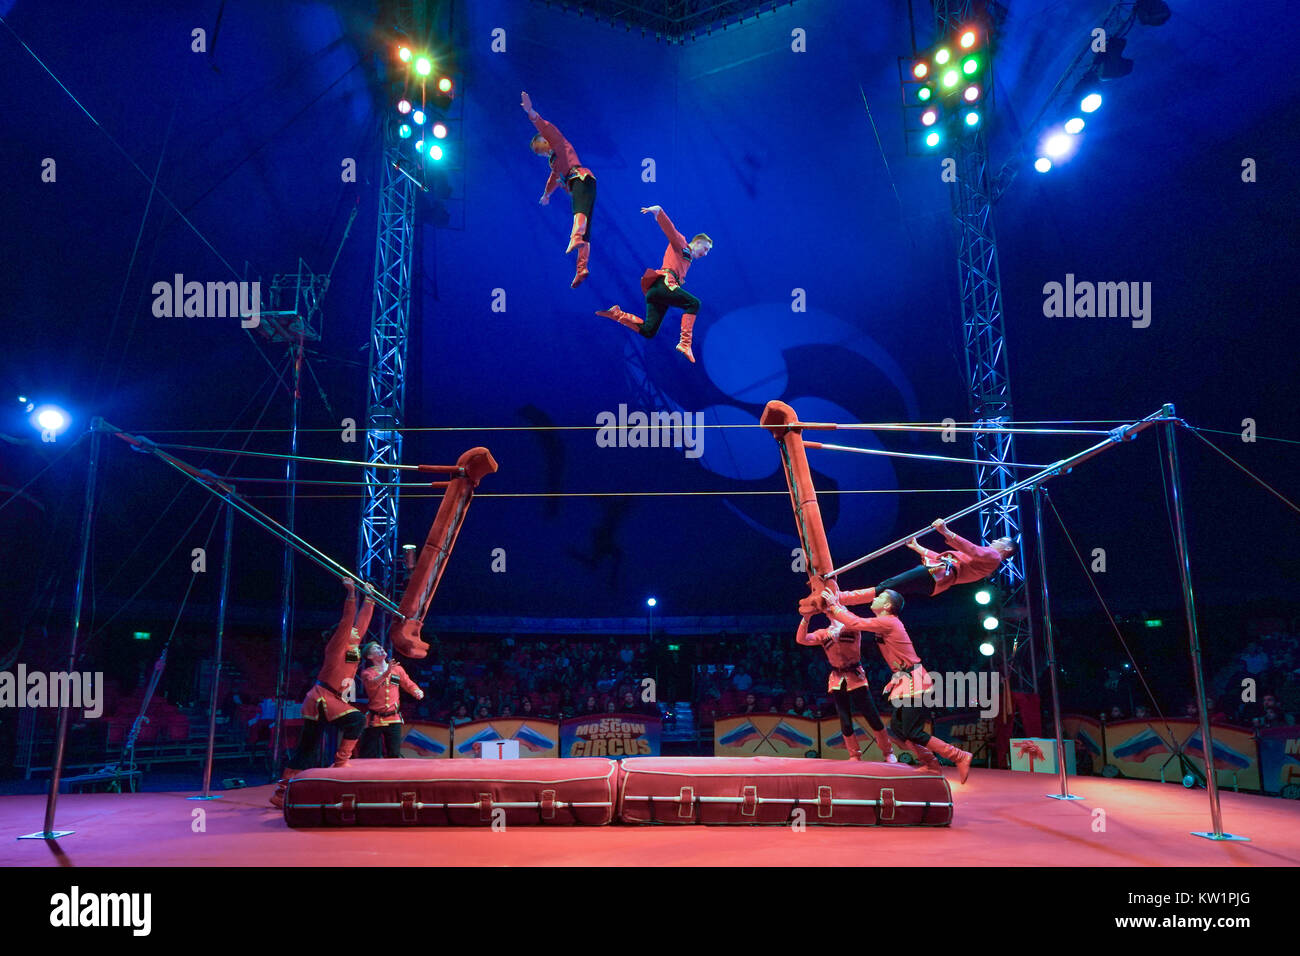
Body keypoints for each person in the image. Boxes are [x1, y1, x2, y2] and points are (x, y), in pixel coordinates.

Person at [819, 587, 975, 783]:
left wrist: (834, 605)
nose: (875, 598)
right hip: (905, 680)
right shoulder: (884, 623)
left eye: (880, 597)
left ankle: (958, 755)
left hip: (916, 682)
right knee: (898, 728)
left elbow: (855, 622)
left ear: (886, 606)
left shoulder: (888, 621)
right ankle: (932, 765)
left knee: (912, 731)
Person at [270, 580, 373, 808]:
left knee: (308, 746)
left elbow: (362, 623)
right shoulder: (337, 646)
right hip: (322, 698)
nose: (357, 632)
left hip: (331, 699)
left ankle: (283, 790)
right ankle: (335, 766)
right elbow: (348, 621)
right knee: (351, 722)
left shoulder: (353, 646)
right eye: (352, 631)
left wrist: (370, 598)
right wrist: (352, 594)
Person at [808, 519, 1016, 613]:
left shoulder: (993, 557)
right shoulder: (986, 562)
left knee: (889, 585)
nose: (996, 540)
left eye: (1001, 540)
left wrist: (946, 532)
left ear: (1006, 549)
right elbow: (949, 557)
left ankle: (840, 599)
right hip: (937, 578)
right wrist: (918, 548)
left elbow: (972, 550)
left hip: (937, 574)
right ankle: (840, 600)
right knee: (889, 588)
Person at [595, 204, 712, 363]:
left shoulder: (687, 259)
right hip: (663, 284)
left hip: (656, 294)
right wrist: (658, 212)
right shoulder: (682, 245)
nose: (705, 254)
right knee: (694, 304)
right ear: (697, 242)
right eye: (705, 249)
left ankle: (617, 314)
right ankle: (685, 343)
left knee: (649, 331)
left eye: (707, 252)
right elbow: (671, 231)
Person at [796, 609, 896, 764]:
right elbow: (801, 639)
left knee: (872, 715)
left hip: (856, 677)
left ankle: (888, 752)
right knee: (845, 719)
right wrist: (806, 618)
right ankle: (854, 754)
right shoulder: (824, 633)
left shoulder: (852, 625)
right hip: (837, 679)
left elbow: (859, 622)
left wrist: (838, 607)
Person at [521, 91, 596, 288]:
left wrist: (531, 112)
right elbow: (553, 180)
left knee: (578, 212)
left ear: (544, 141)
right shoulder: (554, 163)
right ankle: (582, 269)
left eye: (539, 149)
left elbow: (544, 127)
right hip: (580, 184)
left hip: (581, 178)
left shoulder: (558, 143)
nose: (540, 154)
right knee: (586, 228)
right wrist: (546, 194)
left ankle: (575, 236)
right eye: (537, 153)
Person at [358, 641, 424, 759]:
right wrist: (386, 672)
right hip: (375, 719)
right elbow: (372, 685)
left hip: (394, 718)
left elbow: (407, 683)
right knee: (368, 754)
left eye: (381, 647)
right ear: (370, 656)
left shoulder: (397, 669)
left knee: (394, 754)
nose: (381, 649)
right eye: (376, 648)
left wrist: (416, 690)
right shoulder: (367, 673)